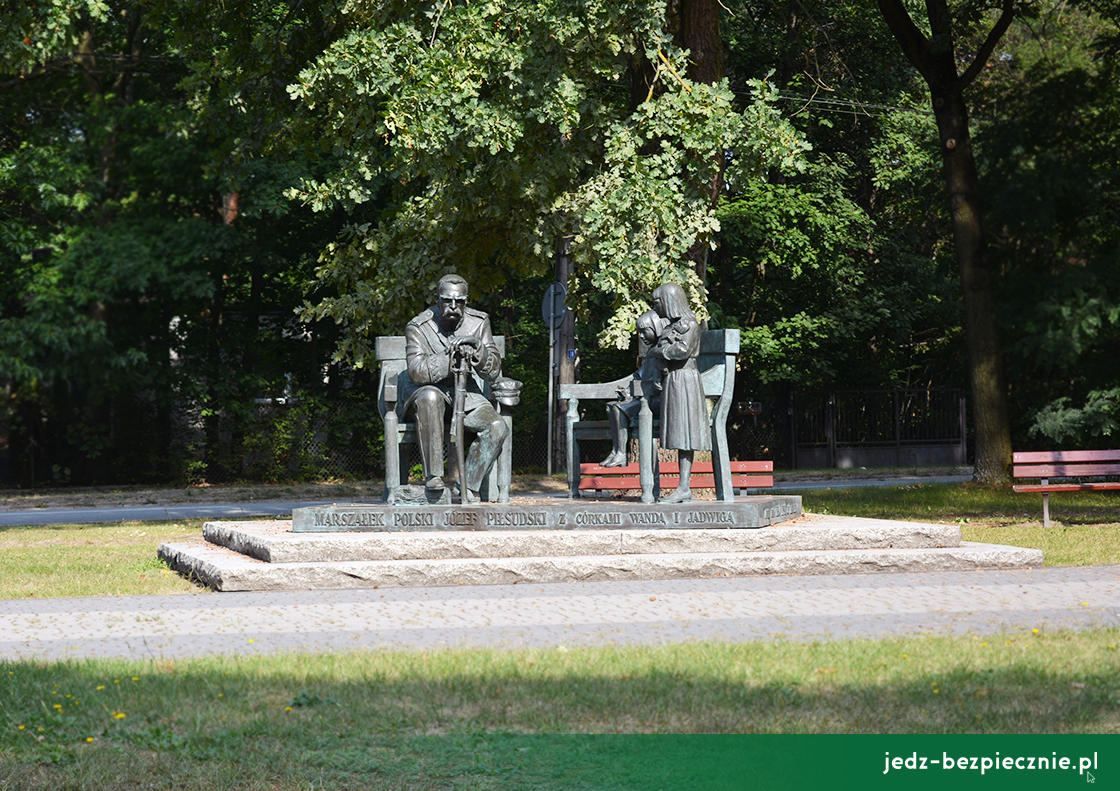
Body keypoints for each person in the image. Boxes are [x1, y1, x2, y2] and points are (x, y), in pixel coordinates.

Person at [399, 274, 509, 502]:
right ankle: (434, 479)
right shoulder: (419, 326)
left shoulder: (479, 323)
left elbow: (493, 371)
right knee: (430, 397)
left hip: (466, 395)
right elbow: (417, 372)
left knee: (497, 425)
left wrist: (478, 348)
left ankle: (467, 486)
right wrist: (452, 358)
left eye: (459, 302)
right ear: (437, 300)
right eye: (447, 300)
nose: (453, 306)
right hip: (427, 392)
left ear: (466, 301)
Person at [648, 282, 710, 503]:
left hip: (686, 380)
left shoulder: (690, 324)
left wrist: (660, 351)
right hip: (673, 380)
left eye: (657, 303)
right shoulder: (669, 327)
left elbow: (681, 351)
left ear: (670, 301)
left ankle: (684, 487)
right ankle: (683, 487)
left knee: (686, 434)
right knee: (678, 433)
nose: (655, 307)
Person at [598, 310, 664, 467]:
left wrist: (639, 390)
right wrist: (627, 391)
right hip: (647, 397)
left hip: (658, 401)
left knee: (620, 409)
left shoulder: (660, 352)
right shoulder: (651, 353)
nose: (641, 336)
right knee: (611, 406)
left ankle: (621, 453)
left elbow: (658, 383)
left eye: (644, 332)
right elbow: (639, 376)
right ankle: (616, 451)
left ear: (656, 329)